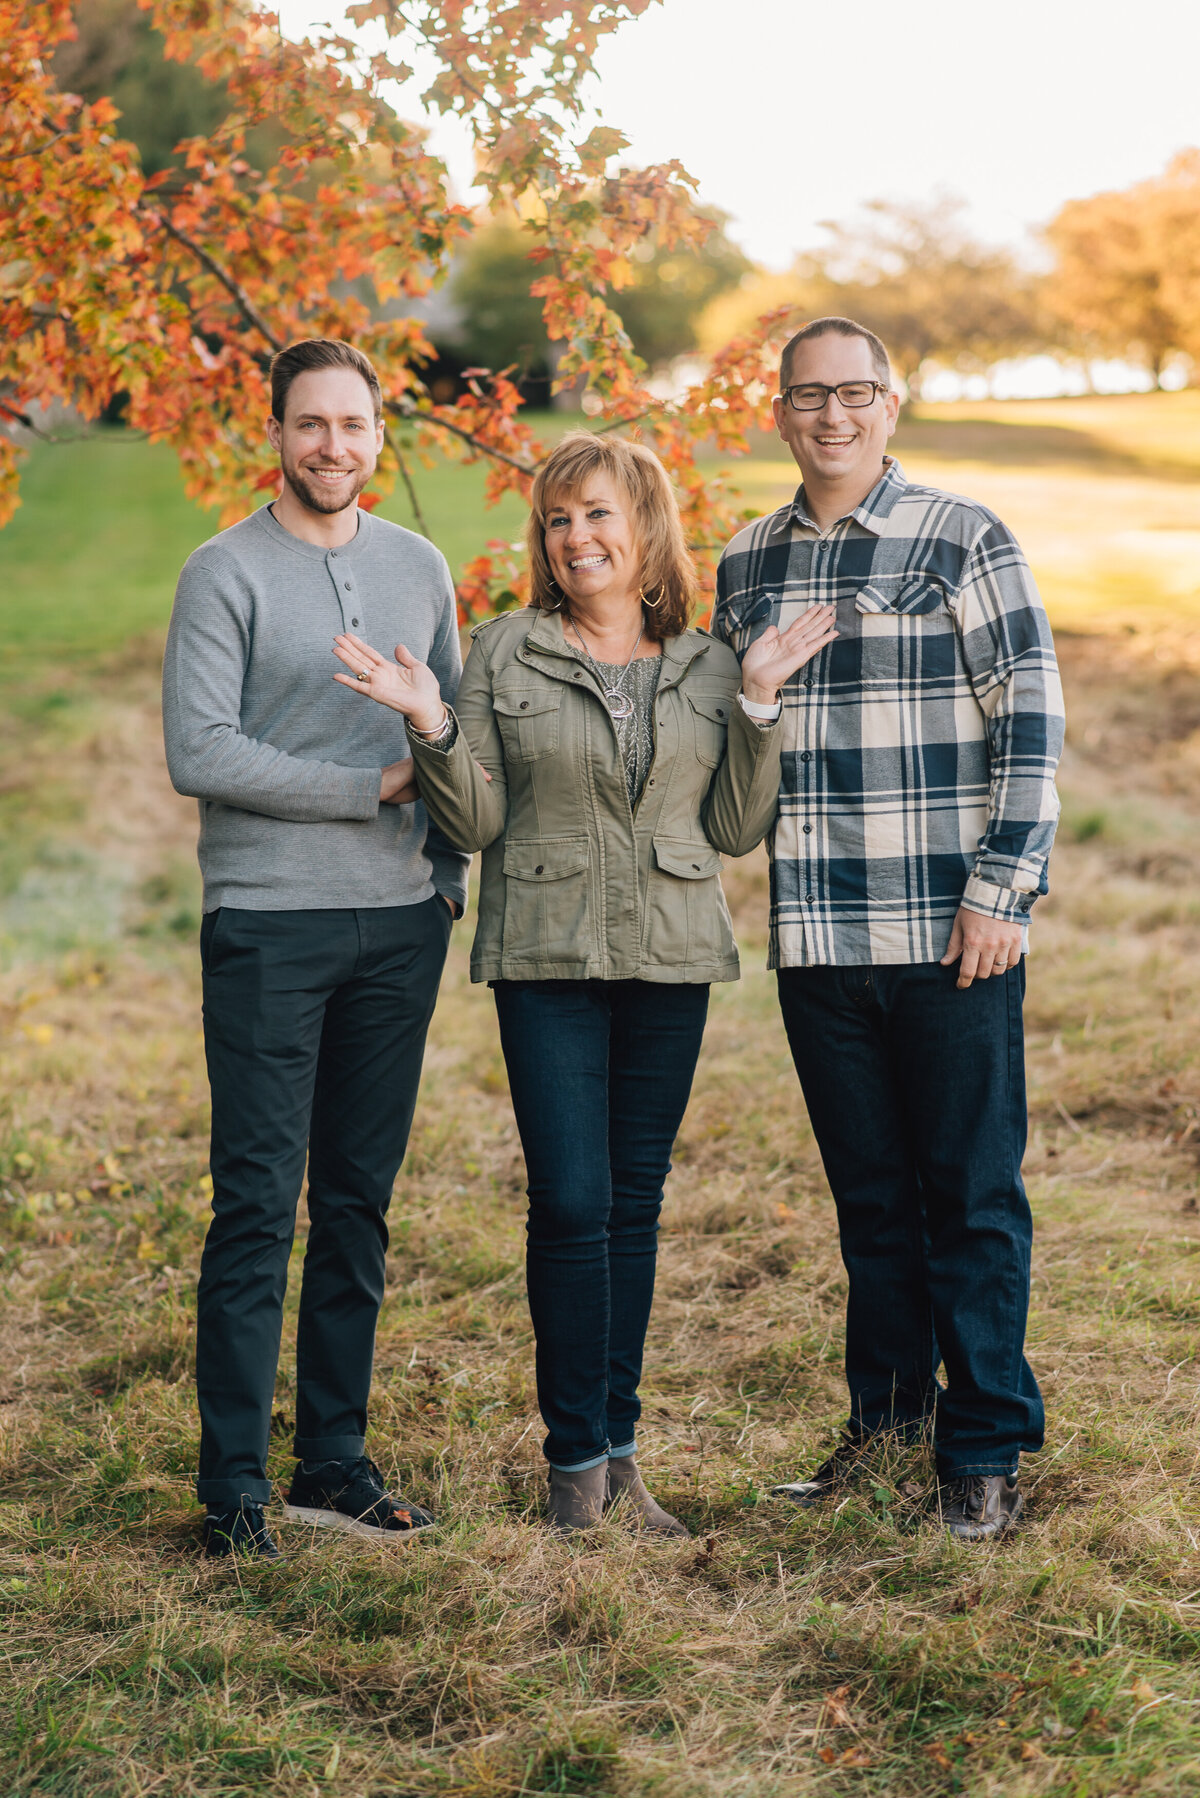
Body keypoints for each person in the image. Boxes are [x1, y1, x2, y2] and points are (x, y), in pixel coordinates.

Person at [331, 431, 838, 1534]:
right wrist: (428, 722)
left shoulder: (709, 664)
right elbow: (475, 821)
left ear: (646, 527)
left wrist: (757, 705)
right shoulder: (507, 653)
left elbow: (738, 830)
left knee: (633, 1205)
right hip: (547, 955)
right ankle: (573, 1466)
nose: (576, 538)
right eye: (558, 520)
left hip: (670, 958)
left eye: (598, 514)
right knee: (570, 1201)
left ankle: (621, 1455)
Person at [712, 317, 1065, 1541]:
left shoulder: (964, 537)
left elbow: (1031, 720)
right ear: (781, 410)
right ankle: (889, 1424)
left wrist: (1001, 890)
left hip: (947, 929)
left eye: (855, 393)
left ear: (892, 403)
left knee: (969, 1195)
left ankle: (982, 1450)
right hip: (818, 934)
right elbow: (734, 755)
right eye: (810, 396)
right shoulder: (747, 563)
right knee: (871, 1205)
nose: (833, 416)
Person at [163, 338, 467, 1559]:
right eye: (310, 425)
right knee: (256, 1206)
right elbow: (203, 751)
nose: (332, 447)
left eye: (353, 425)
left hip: (399, 931)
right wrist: (374, 782)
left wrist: (440, 876)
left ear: (379, 434)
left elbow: (450, 731)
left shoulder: (420, 565)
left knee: (357, 1204)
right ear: (276, 433)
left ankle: (333, 1461)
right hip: (269, 927)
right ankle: (233, 1485)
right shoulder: (222, 571)